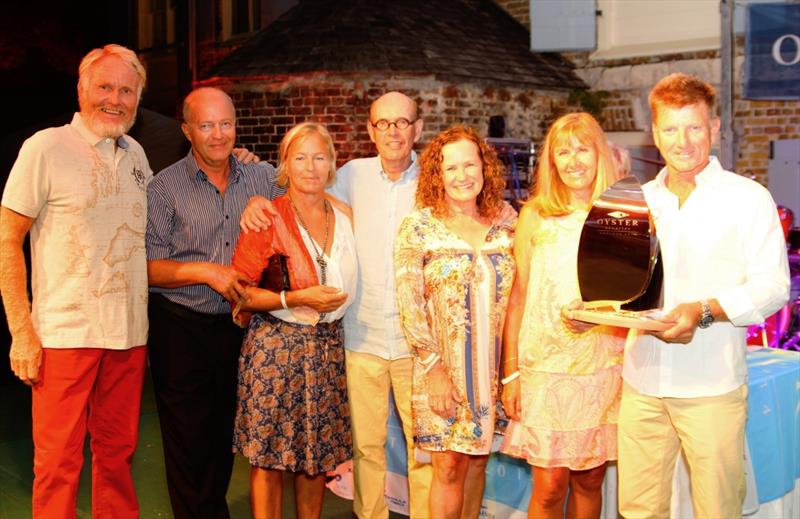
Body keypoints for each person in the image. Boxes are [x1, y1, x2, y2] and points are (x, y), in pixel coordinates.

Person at [240, 91, 434, 519]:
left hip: (411, 341)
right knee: (360, 449)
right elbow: (296, 183)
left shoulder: (432, 182)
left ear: (418, 128)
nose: (393, 131)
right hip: (353, 339)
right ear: (370, 131)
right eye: (383, 123)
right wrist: (254, 201)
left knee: (424, 451)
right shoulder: (353, 175)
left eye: (402, 122)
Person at [617, 73, 790, 518]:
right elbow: (622, 286)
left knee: (718, 509)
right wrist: (592, 311)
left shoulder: (748, 199)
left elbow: (773, 286)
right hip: (643, 381)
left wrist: (703, 311)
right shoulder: (637, 202)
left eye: (694, 127)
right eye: (671, 129)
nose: (683, 141)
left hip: (712, 384)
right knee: (638, 509)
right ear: (655, 134)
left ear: (714, 128)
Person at [0, 44, 150, 517]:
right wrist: (22, 332)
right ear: (82, 88)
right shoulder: (44, 147)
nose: (115, 99)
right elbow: (8, 241)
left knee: (117, 456)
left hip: (128, 334)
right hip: (64, 334)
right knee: (58, 462)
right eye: (104, 87)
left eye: (127, 90)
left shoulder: (136, 154)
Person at [145, 86, 285, 519]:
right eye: (206, 125)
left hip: (240, 326)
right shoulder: (163, 188)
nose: (218, 134)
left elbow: (306, 187)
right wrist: (207, 271)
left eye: (225, 124)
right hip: (180, 324)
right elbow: (146, 267)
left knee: (225, 434)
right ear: (188, 130)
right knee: (188, 442)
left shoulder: (260, 177)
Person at [501, 112, 624, 519]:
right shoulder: (535, 215)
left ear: (599, 154)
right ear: (551, 161)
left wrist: (604, 315)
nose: (574, 161)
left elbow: (636, 295)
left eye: (582, 149)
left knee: (589, 479)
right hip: (543, 368)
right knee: (550, 486)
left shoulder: (619, 214)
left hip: (601, 365)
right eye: (563, 151)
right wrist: (511, 374)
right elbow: (517, 298)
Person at [231, 122, 356, 519]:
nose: (310, 167)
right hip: (275, 348)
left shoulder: (345, 215)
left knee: (315, 457)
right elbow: (239, 290)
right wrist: (294, 298)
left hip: (328, 348)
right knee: (267, 455)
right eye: (300, 157)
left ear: (333, 164)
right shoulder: (266, 216)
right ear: (285, 163)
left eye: (319, 157)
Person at [394, 125, 515, 519]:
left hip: (493, 371)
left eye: (470, 165)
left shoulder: (507, 223)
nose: (462, 176)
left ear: (485, 167)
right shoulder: (419, 227)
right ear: (437, 175)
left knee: (478, 462)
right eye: (451, 168)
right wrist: (434, 369)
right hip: (442, 370)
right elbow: (409, 305)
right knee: (448, 465)